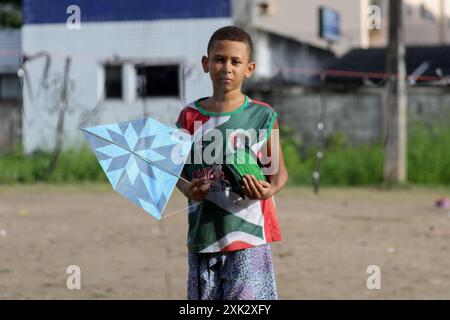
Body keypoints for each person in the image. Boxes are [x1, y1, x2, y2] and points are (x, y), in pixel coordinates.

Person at [175, 26, 288, 300]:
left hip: (247, 236)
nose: (227, 67)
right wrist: (188, 190)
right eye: (219, 59)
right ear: (206, 63)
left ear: (248, 68)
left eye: (235, 62)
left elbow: (279, 173)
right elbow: (176, 173)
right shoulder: (189, 116)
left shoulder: (262, 115)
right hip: (204, 234)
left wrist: (268, 191)